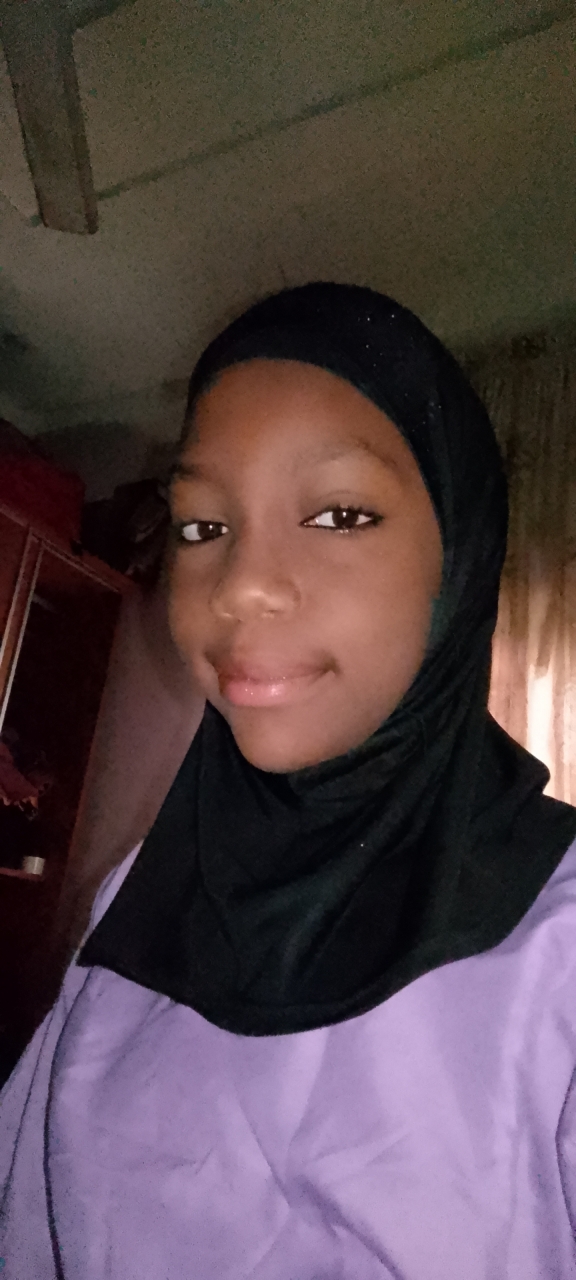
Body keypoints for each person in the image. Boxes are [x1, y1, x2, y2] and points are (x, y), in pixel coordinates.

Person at [1, 282, 576, 1279]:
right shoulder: (137, 899)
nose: (242, 586)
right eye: (200, 527)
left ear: (462, 555)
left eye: (339, 514)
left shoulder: (557, 946)